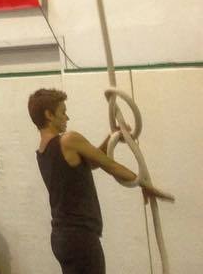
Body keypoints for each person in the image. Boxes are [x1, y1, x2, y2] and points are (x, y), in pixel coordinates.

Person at [29, 87, 171, 274]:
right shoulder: (68, 140)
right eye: (63, 112)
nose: (67, 118)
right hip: (80, 237)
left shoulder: (43, 151)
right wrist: (144, 184)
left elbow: (91, 162)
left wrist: (111, 138)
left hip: (62, 237)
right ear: (49, 115)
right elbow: (109, 165)